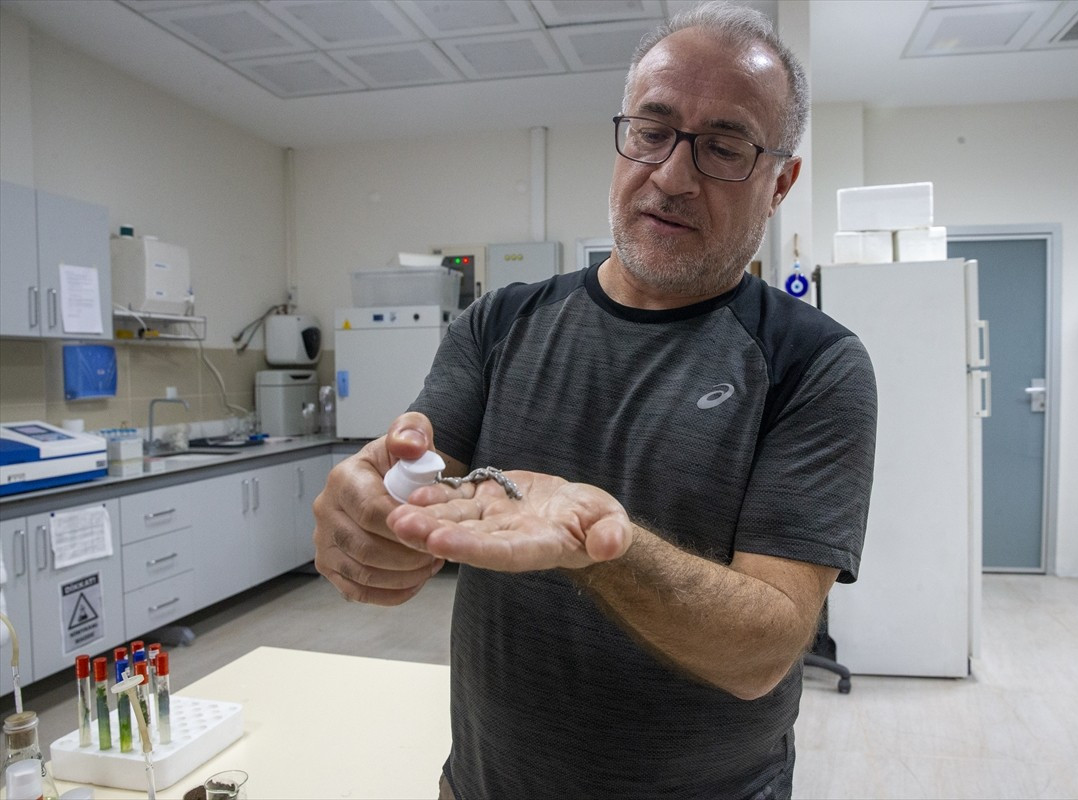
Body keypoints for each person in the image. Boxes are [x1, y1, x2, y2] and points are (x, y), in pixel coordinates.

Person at [313, 2, 877, 798]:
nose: (672, 176)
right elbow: (420, 474)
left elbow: (766, 649)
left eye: (722, 147)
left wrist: (602, 546)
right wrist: (376, 507)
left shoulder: (814, 365)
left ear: (780, 180)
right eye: (652, 131)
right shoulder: (501, 323)